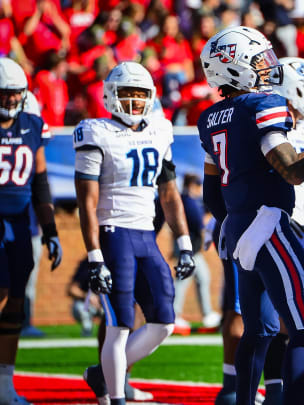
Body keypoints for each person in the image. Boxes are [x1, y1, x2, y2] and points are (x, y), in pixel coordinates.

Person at [197, 26, 304, 405]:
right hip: (271, 223)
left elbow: (212, 190)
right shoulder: (264, 106)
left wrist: (231, 222)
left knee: (258, 331)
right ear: (234, 66)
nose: (268, 66)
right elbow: (292, 170)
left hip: (240, 226)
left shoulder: (210, 117)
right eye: (258, 59)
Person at [75, 61, 196, 405]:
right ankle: (115, 397)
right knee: (120, 324)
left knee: (163, 322)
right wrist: (94, 255)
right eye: (127, 93)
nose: (133, 101)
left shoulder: (160, 130)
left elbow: (170, 193)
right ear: (110, 95)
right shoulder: (95, 131)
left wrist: (184, 243)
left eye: (140, 94)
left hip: (146, 235)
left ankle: (102, 373)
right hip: (114, 233)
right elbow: (87, 200)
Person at [263, 56, 304, 405]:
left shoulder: (298, 127)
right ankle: (271, 393)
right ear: (296, 88)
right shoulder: (274, 125)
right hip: (277, 226)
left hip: (294, 224)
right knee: (289, 321)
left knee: (286, 320)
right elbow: (285, 173)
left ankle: (272, 392)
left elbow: (298, 178)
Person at [0, 57, 62, 405]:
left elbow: (39, 181)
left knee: (16, 305)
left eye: (15, 94)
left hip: (21, 224)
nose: (10, 100)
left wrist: (51, 229)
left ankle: (5, 387)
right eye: (5, 93)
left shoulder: (32, 124)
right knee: (2, 292)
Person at [170, 174, 221, 330]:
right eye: (198, 185)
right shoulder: (188, 202)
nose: (200, 188)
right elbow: (200, 226)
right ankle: (173, 316)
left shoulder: (189, 201)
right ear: (192, 185)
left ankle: (207, 314)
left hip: (190, 250)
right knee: (183, 281)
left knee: (201, 278)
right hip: (188, 250)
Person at [68, 258, 104, 337]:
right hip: (88, 305)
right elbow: (72, 289)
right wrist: (88, 297)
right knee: (80, 308)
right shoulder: (86, 264)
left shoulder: (113, 261)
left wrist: (102, 299)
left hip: (105, 304)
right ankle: (87, 331)